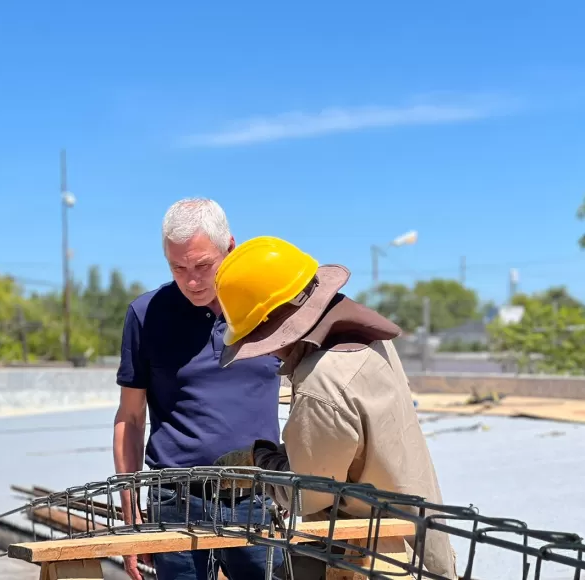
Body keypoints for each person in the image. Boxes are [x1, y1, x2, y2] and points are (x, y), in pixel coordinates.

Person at [212, 236, 458, 579]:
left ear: (275, 324)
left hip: (369, 558)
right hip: (414, 538)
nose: (268, 352)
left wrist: (261, 463)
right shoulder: (368, 341)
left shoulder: (322, 383)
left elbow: (308, 495)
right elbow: (351, 451)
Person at [112, 198, 285, 580]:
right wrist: (129, 508)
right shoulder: (146, 314)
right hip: (174, 501)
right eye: (178, 267)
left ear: (231, 249)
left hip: (256, 499)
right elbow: (130, 416)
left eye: (203, 265)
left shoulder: (269, 308)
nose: (192, 281)